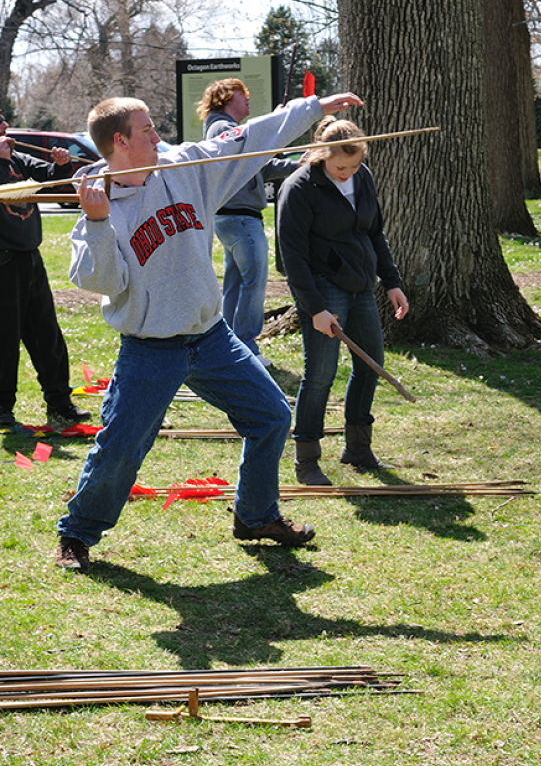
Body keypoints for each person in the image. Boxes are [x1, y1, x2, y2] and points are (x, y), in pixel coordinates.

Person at [56, 91, 364, 572]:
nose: (158, 135)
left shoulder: (185, 166)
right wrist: (96, 224)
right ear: (119, 141)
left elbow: (251, 139)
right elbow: (105, 283)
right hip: (151, 347)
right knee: (121, 446)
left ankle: (256, 516)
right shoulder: (100, 206)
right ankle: (76, 535)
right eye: (147, 130)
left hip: (210, 335)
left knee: (269, 417)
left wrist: (311, 110)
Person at [276, 117, 410, 486]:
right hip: (322, 288)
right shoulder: (299, 187)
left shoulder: (362, 176)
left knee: (371, 363)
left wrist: (392, 282)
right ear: (321, 155)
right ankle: (307, 460)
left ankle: (357, 447)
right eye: (339, 167)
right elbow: (292, 256)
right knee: (320, 374)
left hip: (361, 284)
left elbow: (374, 232)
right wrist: (316, 307)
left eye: (353, 166)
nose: (346, 173)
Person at [0, 99, 90, 430]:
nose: (5, 126)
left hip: (30, 257)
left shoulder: (15, 156)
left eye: (4, 120)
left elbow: (50, 180)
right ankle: (3, 408)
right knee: (4, 338)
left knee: (48, 336)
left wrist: (60, 166)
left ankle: (60, 405)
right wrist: (1, 163)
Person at [199, 78, 297, 366]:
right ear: (228, 97)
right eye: (244, 96)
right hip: (239, 217)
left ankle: (229, 345)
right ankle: (245, 346)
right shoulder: (223, 128)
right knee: (253, 281)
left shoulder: (226, 128)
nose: (249, 101)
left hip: (234, 217)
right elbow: (252, 148)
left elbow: (261, 166)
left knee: (237, 282)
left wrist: (298, 163)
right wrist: (276, 124)